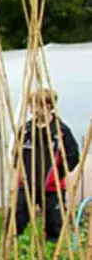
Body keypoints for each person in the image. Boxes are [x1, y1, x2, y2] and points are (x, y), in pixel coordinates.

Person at [14, 89, 79, 243]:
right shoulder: (26, 130)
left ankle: (53, 252)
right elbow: (17, 154)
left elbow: (73, 156)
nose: (31, 109)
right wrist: (20, 170)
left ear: (48, 106)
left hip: (52, 188)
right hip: (27, 186)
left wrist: (57, 174)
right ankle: (13, 249)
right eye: (30, 105)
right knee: (16, 220)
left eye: (35, 105)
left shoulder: (61, 131)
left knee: (54, 224)